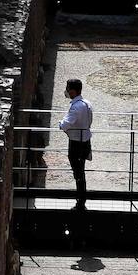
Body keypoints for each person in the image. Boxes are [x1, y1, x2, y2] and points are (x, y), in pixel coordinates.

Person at [58, 78, 93, 210]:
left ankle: (80, 202)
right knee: (80, 172)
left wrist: (60, 124)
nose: (66, 91)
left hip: (76, 144)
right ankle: (81, 199)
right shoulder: (87, 103)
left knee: (78, 173)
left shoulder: (76, 107)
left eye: (67, 89)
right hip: (85, 141)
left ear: (72, 91)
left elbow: (65, 124)